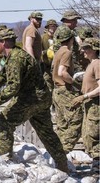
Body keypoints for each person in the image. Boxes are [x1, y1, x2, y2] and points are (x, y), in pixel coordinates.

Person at [0, 28, 69, 173]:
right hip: (40, 97)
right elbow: (3, 77)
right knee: (46, 132)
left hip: (32, 97)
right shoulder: (11, 56)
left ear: (4, 42)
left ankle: (4, 160)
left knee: (5, 120)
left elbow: (13, 85)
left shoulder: (16, 58)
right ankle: (63, 165)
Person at [52, 25, 83, 154]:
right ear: (70, 39)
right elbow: (62, 72)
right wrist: (75, 83)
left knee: (62, 125)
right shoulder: (67, 52)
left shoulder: (58, 51)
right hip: (64, 90)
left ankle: (57, 153)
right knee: (77, 121)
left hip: (57, 91)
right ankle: (63, 151)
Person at [72, 37, 100, 174]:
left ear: (94, 50)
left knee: (93, 135)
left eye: (87, 48)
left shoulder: (97, 64)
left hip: (95, 105)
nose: (83, 51)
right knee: (88, 135)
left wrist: (85, 96)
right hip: (89, 104)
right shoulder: (91, 64)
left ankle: (97, 168)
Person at [41, 19, 58, 91]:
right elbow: (39, 52)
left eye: (54, 26)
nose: (53, 28)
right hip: (46, 67)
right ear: (47, 27)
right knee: (48, 87)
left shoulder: (58, 38)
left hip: (56, 66)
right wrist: (47, 51)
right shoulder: (43, 37)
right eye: (51, 26)